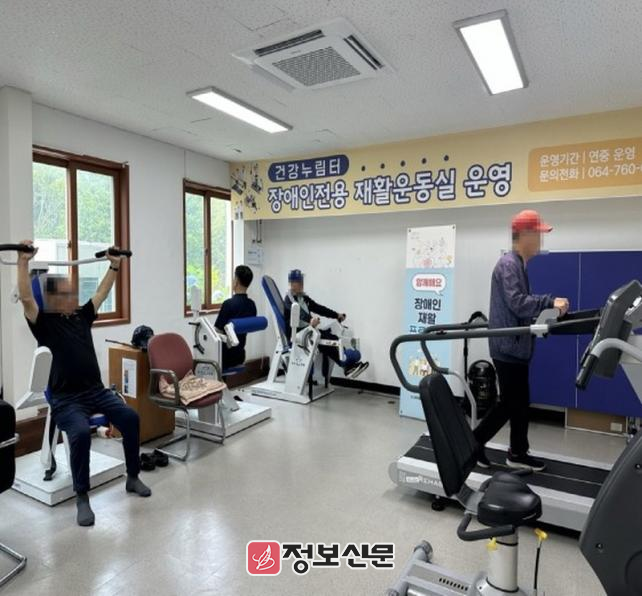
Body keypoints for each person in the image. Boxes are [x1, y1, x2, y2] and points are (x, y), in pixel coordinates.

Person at [17, 240, 151, 527]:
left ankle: (132, 476)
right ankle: (82, 497)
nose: (71, 296)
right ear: (52, 299)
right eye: (64, 293)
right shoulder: (44, 323)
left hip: (96, 391)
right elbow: (27, 299)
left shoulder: (81, 316)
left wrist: (114, 265)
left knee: (130, 418)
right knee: (79, 433)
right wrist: (23, 261)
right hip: (66, 398)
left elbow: (102, 292)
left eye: (71, 292)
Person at [474, 211, 569, 472]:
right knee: (510, 402)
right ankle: (475, 442)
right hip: (507, 347)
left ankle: (516, 451)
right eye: (538, 234)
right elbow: (517, 302)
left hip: (515, 346)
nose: (540, 240)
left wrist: (544, 315)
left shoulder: (517, 264)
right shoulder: (508, 264)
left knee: (518, 403)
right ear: (525, 235)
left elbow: (518, 305)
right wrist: (549, 302)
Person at [284, 269, 369, 378]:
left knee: (332, 337)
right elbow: (298, 312)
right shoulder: (289, 298)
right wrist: (310, 319)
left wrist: (336, 315)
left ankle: (348, 366)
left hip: (308, 331)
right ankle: (346, 366)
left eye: (302, 281)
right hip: (297, 334)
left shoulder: (303, 298)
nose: (301, 284)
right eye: (298, 282)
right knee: (326, 340)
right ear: (291, 283)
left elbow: (319, 308)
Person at [214, 265, 257, 369]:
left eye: (234, 278)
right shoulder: (251, 305)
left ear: (236, 281)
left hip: (225, 357)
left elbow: (217, 331)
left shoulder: (228, 304)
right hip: (240, 356)